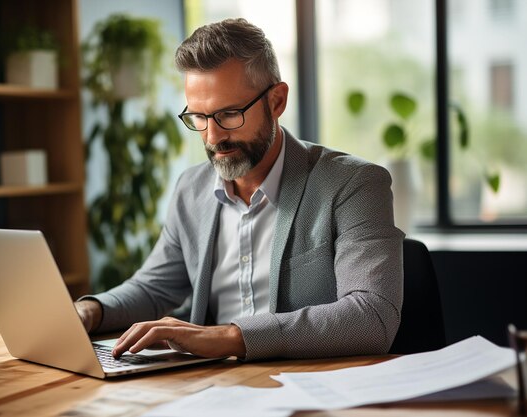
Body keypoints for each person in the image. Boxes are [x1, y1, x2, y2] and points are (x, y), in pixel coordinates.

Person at [75, 18, 404, 362]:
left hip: (311, 388)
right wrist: (90, 311)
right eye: (199, 118)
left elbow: (372, 317)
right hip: (212, 390)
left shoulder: (354, 184)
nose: (213, 137)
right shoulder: (192, 189)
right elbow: (153, 287)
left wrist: (232, 336)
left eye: (229, 114)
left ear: (276, 102)